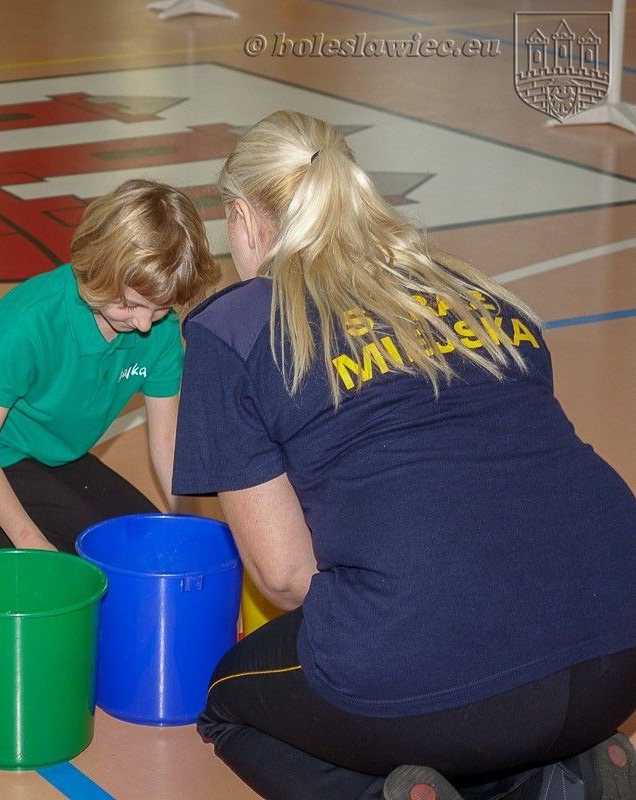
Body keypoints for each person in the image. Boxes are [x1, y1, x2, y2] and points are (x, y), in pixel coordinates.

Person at [172, 110, 636, 800]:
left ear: (243, 218)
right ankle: (570, 773)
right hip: (618, 651)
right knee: (488, 688)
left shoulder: (234, 327)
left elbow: (287, 577)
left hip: (440, 684)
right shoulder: (476, 292)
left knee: (227, 706)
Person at [0, 178, 220, 581]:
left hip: (54, 451)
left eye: (158, 309)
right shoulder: (31, 321)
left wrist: (191, 534)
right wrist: (33, 545)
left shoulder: (161, 328)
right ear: (97, 270)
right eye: (129, 305)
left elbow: (168, 441)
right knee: (74, 568)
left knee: (140, 551)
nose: (142, 324)